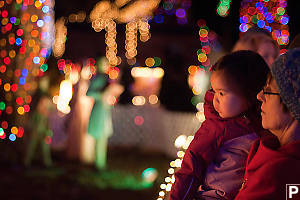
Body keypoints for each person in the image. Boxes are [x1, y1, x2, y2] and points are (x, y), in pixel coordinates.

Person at [169, 50, 270, 200]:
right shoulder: (216, 127)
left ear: (249, 92)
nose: (215, 99)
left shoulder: (265, 121)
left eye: (222, 93)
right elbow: (191, 165)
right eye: (214, 91)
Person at [235, 48, 300, 200]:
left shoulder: (278, 174)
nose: (259, 96)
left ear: (293, 105)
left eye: (269, 91)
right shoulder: (272, 152)